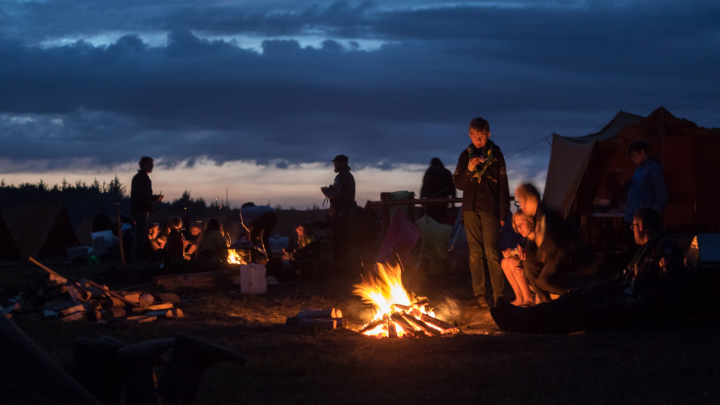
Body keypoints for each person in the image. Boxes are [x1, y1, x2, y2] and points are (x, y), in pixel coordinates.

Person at [491, 207, 686, 334]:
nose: (631, 229)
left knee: (582, 312)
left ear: (641, 226)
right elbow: (622, 278)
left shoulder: (665, 248)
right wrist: (595, 288)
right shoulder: (647, 249)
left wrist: (636, 302)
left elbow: (669, 287)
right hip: (623, 297)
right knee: (576, 296)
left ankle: (528, 325)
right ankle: (524, 316)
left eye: (633, 226)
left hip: (635, 309)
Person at [453, 117, 510, 308]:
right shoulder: (465, 155)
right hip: (470, 208)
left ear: (489, 134)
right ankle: (479, 295)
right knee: (474, 254)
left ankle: (499, 296)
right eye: (475, 136)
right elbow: (459, 184)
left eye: (482, 136)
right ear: (470, 135)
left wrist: (504, 213)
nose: (479, 140)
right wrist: (469, 169)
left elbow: (503, 186)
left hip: (490, 209)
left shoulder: (496, 154)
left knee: (492, 253)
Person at [514, 183, 591, 302]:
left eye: (521, 203)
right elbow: (540, 243)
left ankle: (577, 294)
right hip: (554, 255)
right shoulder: (538, 215)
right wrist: (528, 252)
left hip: (566, 256)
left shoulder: (546, 215)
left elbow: (551, 243)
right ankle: (545, 303)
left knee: (543, 280)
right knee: (528, 261)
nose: (521, 207)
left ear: (529, 199)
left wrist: (541, 258)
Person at [321, 154, 356, 266]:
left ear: (342, 163)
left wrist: (326, 192)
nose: (335, 165)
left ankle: (339, 264)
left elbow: (334, 193)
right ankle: (343, 262)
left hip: (340, 214)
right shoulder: (348, 176)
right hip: (345, 213)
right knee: (343, 239)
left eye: (336, 163)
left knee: (338, 239)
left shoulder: (341, 177)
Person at [501, 211, 542, 307]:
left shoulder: (539, 240)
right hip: (528, 273)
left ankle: (528, 299)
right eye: (516, 225)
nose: (518, 228)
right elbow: (522, 255)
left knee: (512, 263)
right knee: (505, 261)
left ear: (531, 222)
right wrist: (511, 253)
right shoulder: (525, 241)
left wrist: (525, 270)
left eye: (521, 224)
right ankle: (520, 298)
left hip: (537, 276)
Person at [625, 140, 668, 224]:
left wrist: (654, 213)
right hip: (635, 215)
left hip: (645, 217)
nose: (632, 159)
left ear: (642, 152)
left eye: (633, 155)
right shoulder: (638, 170)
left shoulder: (653, 167)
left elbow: (661, 192)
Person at [130, 157, 164, 263]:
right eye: (150, 164)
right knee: (141, 235)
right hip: (140, 209)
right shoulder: (141, 178)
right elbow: (143, 195)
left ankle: (136, 259)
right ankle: (137, 259)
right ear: (144, 165)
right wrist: (154, 198)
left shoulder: (141, 178)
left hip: (140, 209)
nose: (152, 166)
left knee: (139, 234)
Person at [420, 157, 457, 223]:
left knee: (429, 221)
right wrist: (453, 203)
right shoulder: (447, 172)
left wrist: (421, 197)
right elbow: (452, 188)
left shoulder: (430, 171)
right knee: (441, 221)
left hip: (430, 201)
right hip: (444, 201)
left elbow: (425, 184)